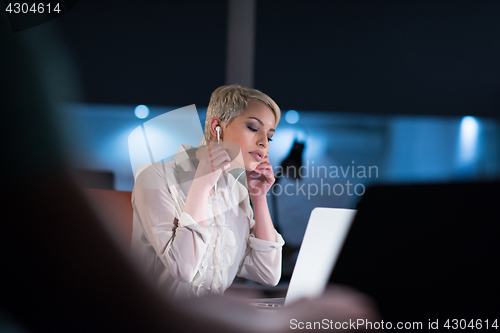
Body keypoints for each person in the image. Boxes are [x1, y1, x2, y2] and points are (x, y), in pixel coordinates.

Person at [131, 85, 285, 298]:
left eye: (269, 136)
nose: (263, 143)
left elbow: (268, 274)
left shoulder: (236, 193)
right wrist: (201, 186)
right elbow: (183, 269)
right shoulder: (154, 176)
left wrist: (259, 199)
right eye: (252, 127)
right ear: (217, 127)